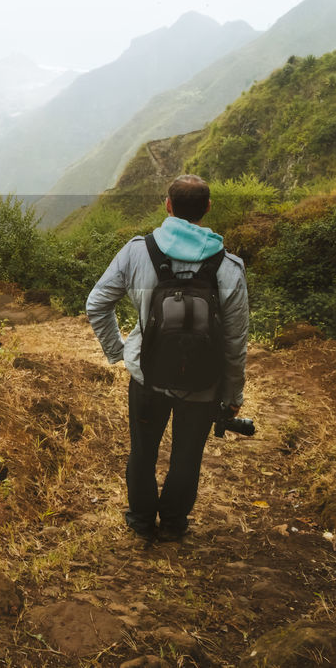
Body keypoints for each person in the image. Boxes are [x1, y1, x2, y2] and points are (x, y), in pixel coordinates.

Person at [85, 174, 249, 541]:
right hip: (203, 384)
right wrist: (232, 395)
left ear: (168, 206)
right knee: (187, 456)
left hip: (148, 376)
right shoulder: (229, 267)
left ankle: (141, 521)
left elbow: (97, 305)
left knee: (143, 451)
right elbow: (235, 341)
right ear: (207, 208)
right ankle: (174, 523)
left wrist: (120, 352)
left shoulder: (136, 252)